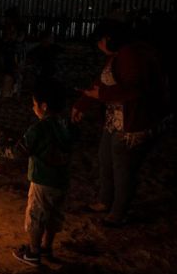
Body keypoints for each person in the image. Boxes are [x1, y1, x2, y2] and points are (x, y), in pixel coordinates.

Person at [72, 19, 170, 227]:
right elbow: (101, 83)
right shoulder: (117, 56)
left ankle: (118, 212)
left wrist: (102, 95)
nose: (98, 46)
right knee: (105, 157)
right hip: (114, 121)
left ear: (109, 38)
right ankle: (105, 201)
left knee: (123, 168)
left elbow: (135, 88)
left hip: (131, 123)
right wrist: (82, 104)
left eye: (99, 41)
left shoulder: (133, 55)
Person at [5, 79, 77, 267]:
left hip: (42, 181)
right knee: (54, 215)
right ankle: (47, 247)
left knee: (36, 216)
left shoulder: (38, 129)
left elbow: (18, 151)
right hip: (62, 181)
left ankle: (33, 253)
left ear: (43, 106)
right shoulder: (66, 125)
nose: (32, 107)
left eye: (34, 104)